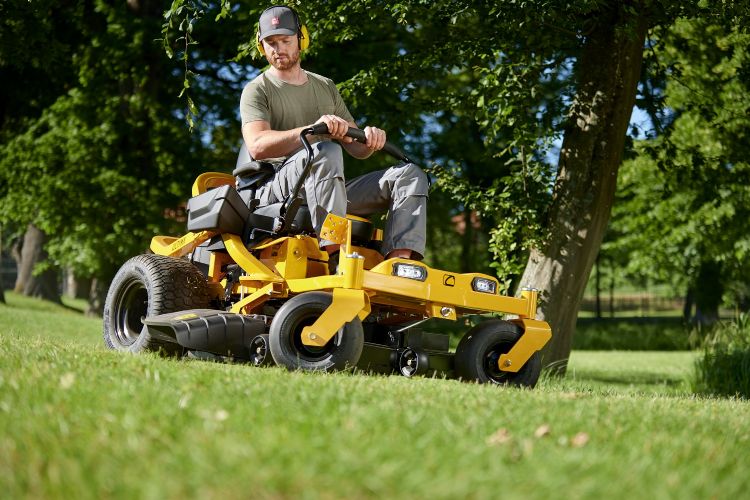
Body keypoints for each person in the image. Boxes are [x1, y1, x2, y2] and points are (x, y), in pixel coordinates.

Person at [240, 5, 428, 261]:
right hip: (276, 188)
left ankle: (399, 263)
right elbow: (257, 145)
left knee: (409, 174)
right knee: (325, 151)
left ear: (301, 40)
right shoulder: (257, 89)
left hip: (325, 186)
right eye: (271, 42)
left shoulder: (325, 86)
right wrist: (312, 130)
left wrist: (370, 139)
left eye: (285, 40)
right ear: (261, 46)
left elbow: (357, 148)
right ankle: (337, 255)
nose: (278, 48)